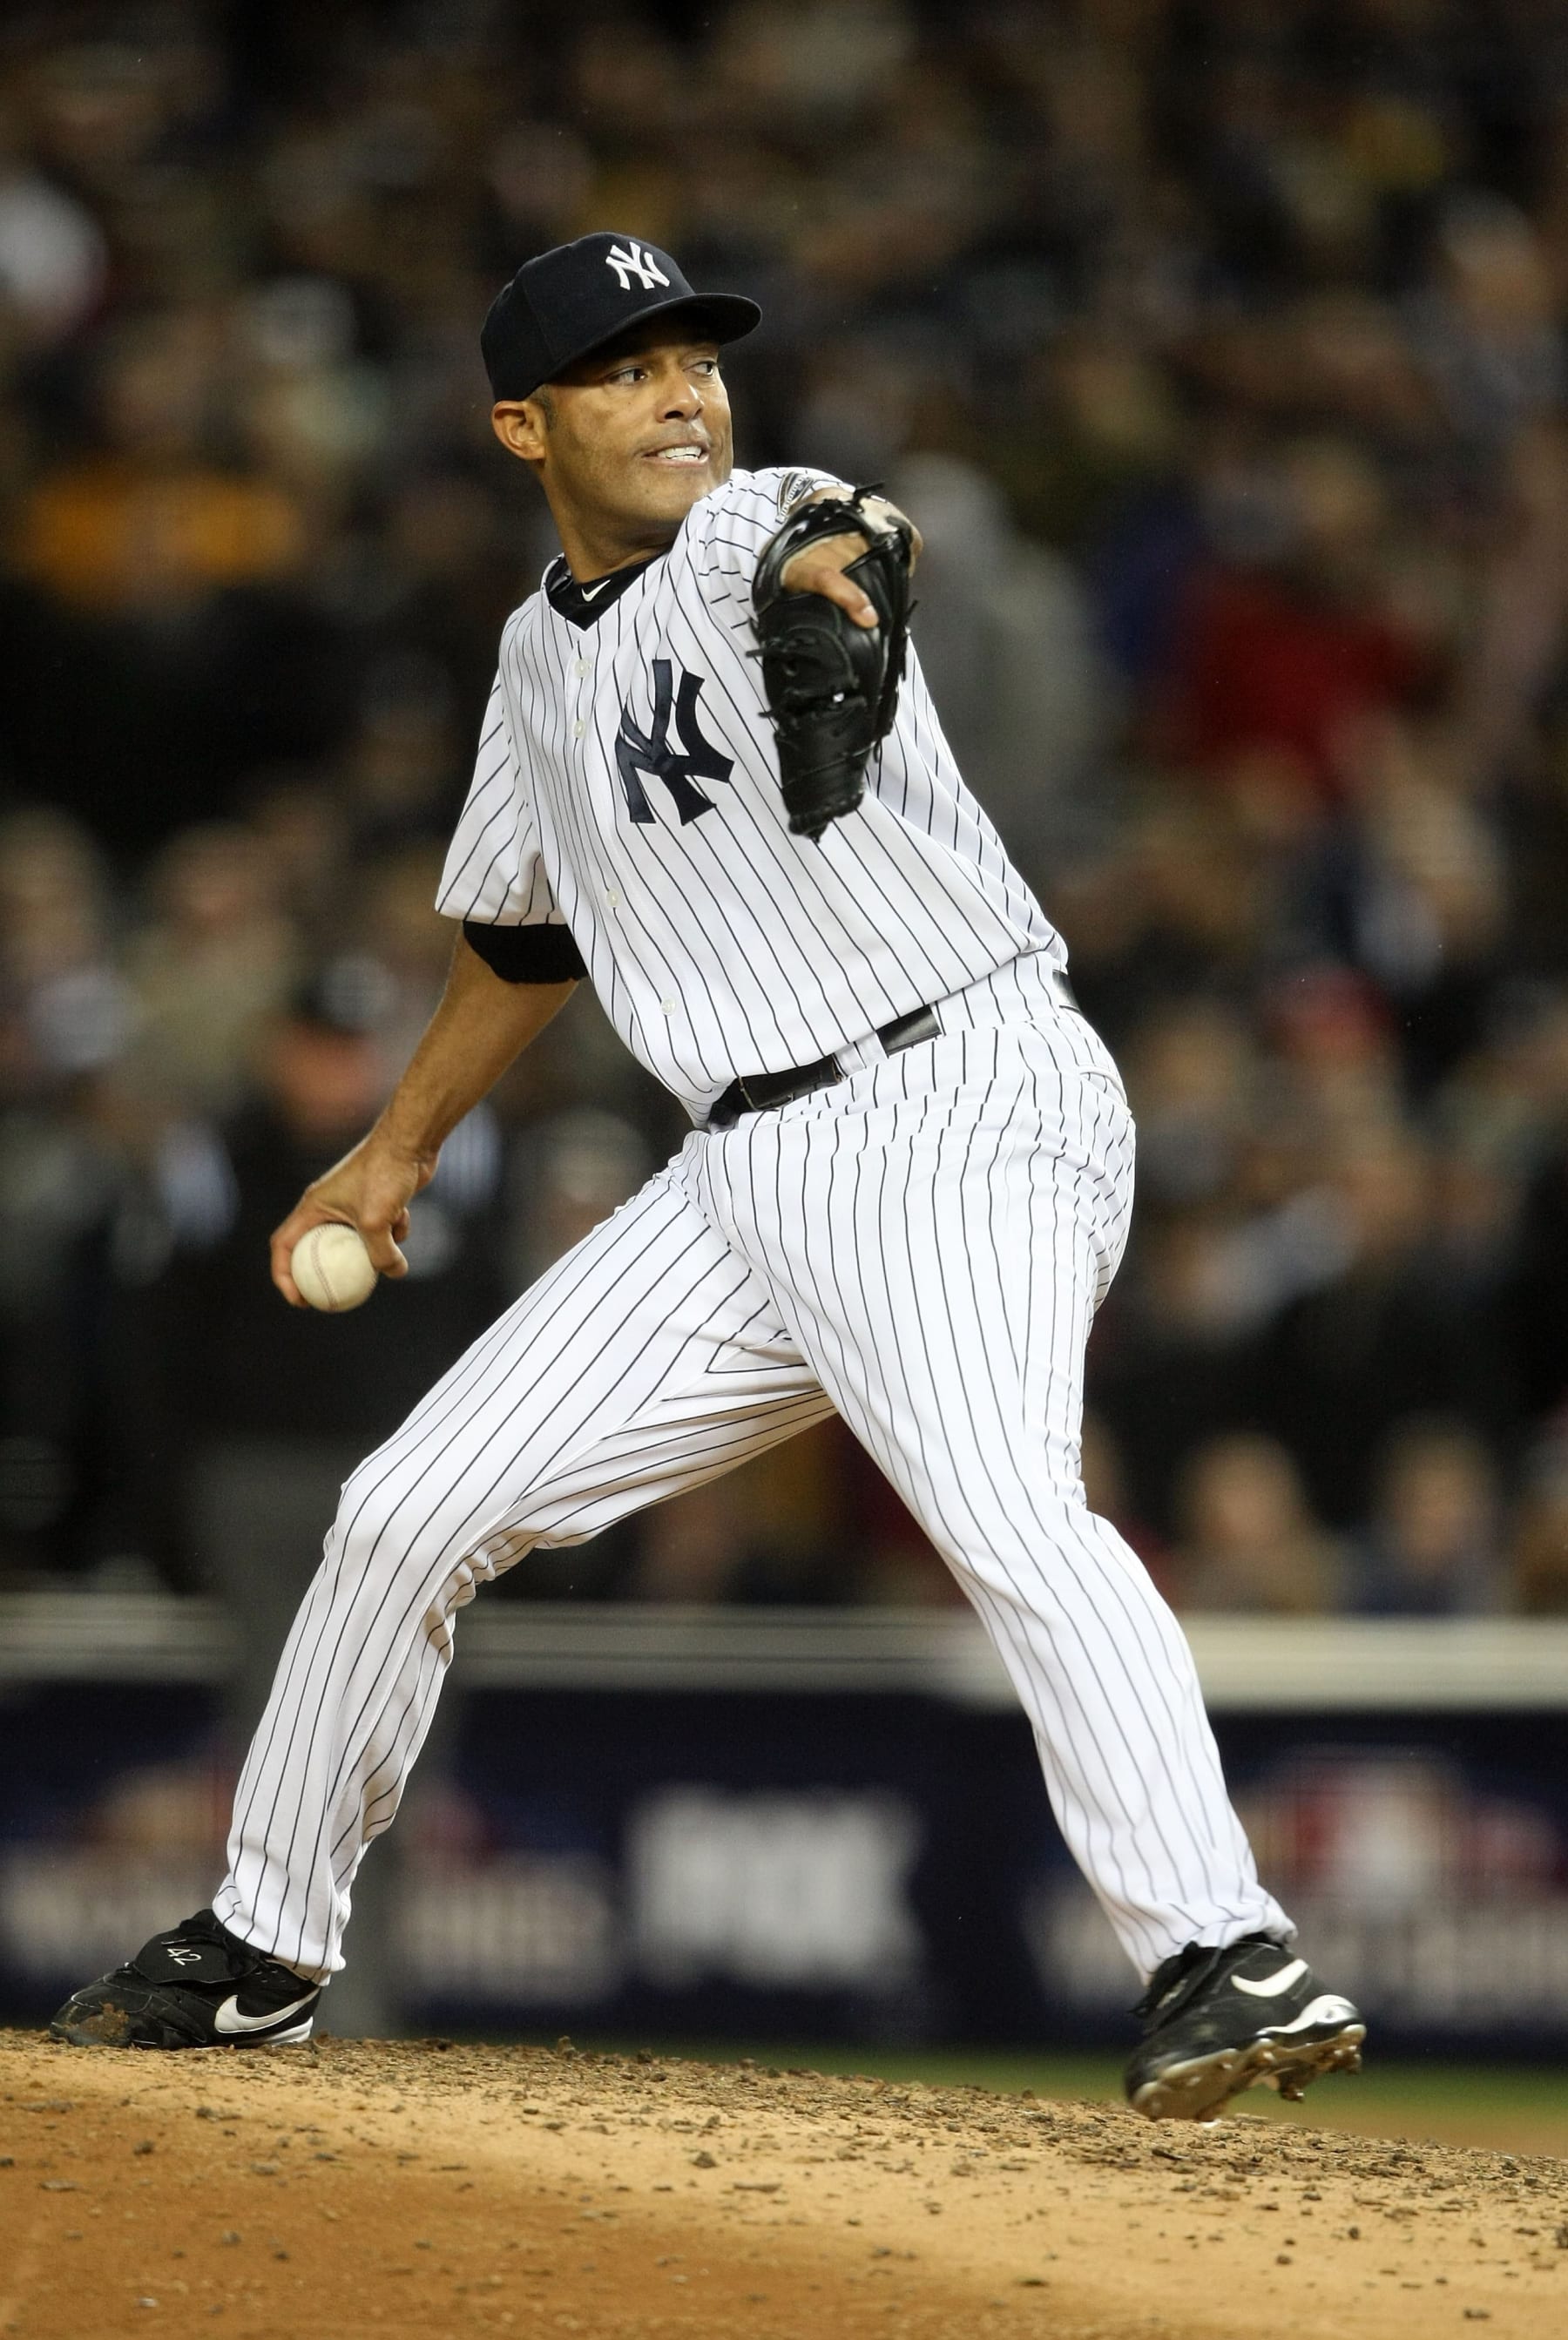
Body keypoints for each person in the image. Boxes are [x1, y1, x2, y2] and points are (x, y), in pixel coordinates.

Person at [52, 233, 1364, 2122]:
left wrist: (851, 595)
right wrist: (395, 1146)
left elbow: (857, 537)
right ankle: (265, 1948)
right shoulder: (531, 662)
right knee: (405, 1510)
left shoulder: (758, 525)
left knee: (1002, 1506)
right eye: (621, 369)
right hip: (741, 1169)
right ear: (522, 424)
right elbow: (522, 940)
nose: (681, 390)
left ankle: (1222, 1946)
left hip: (957, 1090)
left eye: (694, 357)